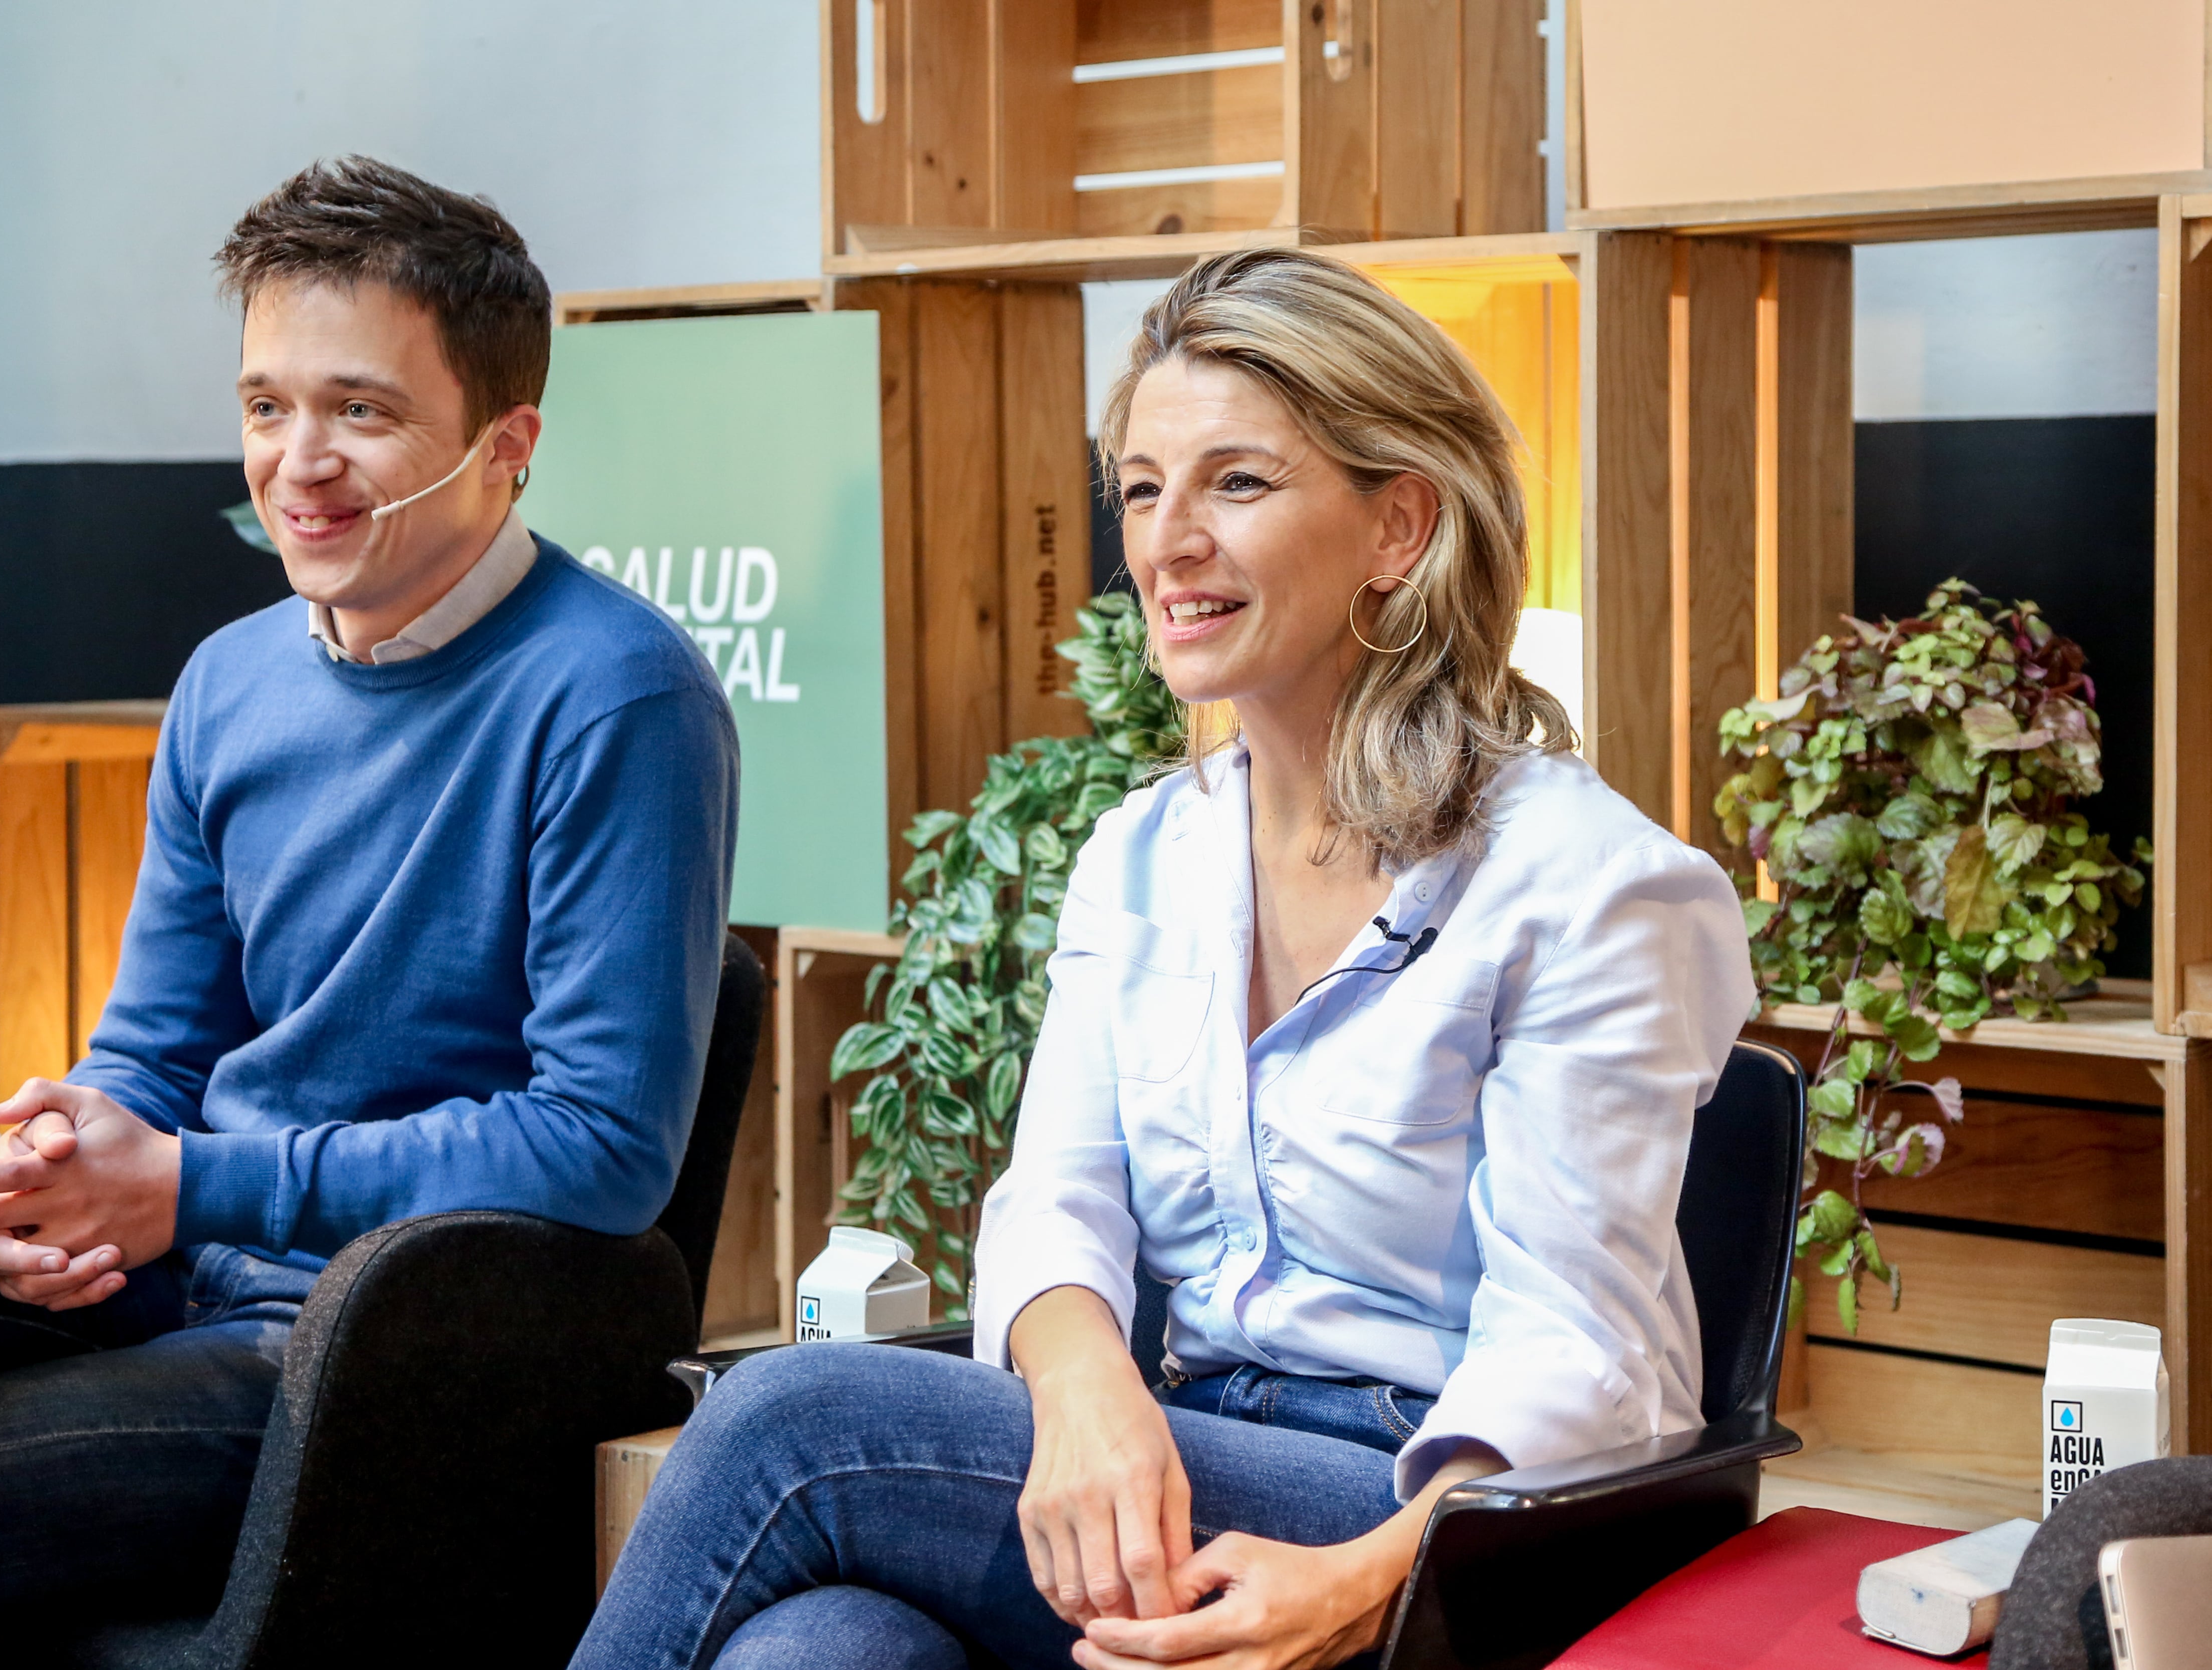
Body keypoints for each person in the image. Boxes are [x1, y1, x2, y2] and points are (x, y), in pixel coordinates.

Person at [575, 247, 1751, 1670]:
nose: (1166, 543)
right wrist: (1082, 1397)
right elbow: (1057, 1201)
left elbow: (1582, 1355)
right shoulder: (1143, 853)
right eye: (1142, 489)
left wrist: (1364, 1588)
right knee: (825, 1649)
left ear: (1400, 528)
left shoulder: (1595, 884)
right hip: (1175, 1441)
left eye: (1237, 484)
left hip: (1420, 1507)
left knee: (790, 1420)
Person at [0, 156, 738, 1669]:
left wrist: (186, 1187)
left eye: (361, 412)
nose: (298, 462)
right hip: (174, 1281)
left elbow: (599, 1149)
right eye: (267, 406)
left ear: (506, 444)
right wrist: (64, 1173)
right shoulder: (229, 682)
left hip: (372, 1356)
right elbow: (156, 1044)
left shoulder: (620, 696)